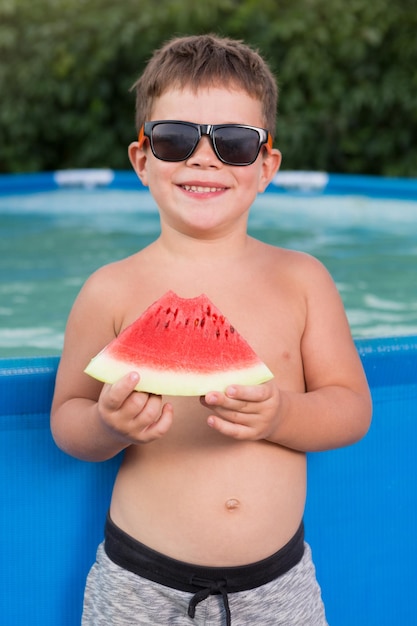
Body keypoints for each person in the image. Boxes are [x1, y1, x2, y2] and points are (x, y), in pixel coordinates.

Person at [51, 34, 372, 625]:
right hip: (139, 585)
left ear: (266, 165)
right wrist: (105, 424)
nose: (204, 158)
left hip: (277, 587)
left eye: (233, 142)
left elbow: (351, 407)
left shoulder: (302, 280)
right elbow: (68, 420)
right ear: (142, 159)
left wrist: (281, 417)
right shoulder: (110, 288)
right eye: (175, 139)